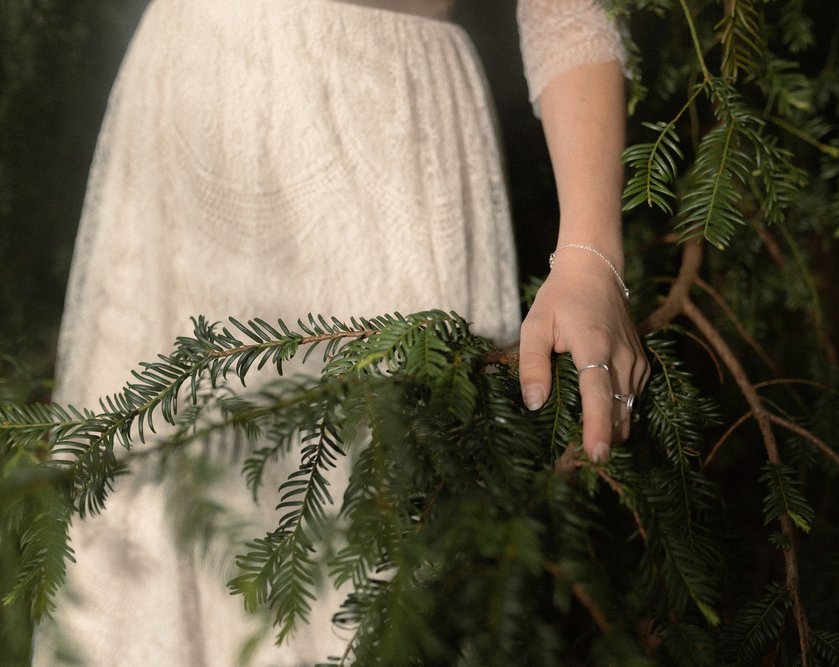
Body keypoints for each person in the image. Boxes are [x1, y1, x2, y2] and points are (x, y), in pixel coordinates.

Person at [35, 0, 648, 664]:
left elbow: (568, 12)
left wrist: (591, 254)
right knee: (144, 566)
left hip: (394, 129)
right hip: (192, 109)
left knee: (383, 588)